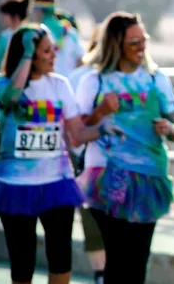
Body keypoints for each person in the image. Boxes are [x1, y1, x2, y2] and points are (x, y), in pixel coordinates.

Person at [0, 24, 121, 284]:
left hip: (57, 183)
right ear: (28, 53)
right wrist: (28, 54)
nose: (54, 55)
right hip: (15, 185)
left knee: (61, 257)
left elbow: (76, 133)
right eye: (46, 50)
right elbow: (9, 99)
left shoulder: (60, 84)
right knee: (22, 262)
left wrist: (102, 128)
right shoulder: (2, 85)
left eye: (54, 49)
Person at [75, 11, 174, 283]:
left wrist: (169, 129)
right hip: (108, 178)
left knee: (138, 260)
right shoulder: (93, 81)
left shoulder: (157, 79)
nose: (141, 46)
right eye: (133, 41)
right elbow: (76, 136)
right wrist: (99, 113)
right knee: (118, 259)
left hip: (149, 178)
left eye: (142, 39)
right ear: (115, 44)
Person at [67, 24, 106, 284]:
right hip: (85, 161)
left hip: (124, 166)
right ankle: (101, 274)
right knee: (92, 221)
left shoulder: (139, 76)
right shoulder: (81, 77)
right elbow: (72, 128)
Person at [31, 0, 84, 77]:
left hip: (47, 86)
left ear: (39, 11)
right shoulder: (71, 32)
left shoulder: (37, 33)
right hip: (70, 87)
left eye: (34, 11)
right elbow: (80, 62)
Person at [0, 0, 30, 71]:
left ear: (16, 16)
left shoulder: (29, 33)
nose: (2, 18)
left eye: (5, 15)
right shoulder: (4, 35)